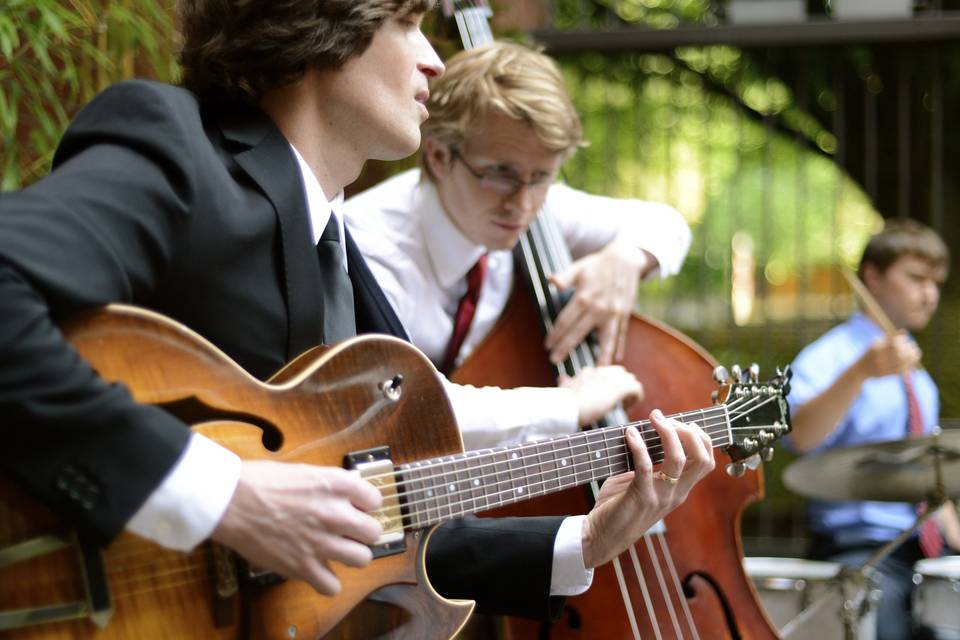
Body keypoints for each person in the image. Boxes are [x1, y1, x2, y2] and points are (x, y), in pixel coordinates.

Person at [0, 0, 715, 630]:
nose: (437, 61)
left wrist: (583, 541)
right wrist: (223, 495)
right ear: (323, 26)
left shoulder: (339, 253)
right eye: (408, 22)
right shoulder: (176, 146)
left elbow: (379, 527)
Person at [345, 41, 691, 449]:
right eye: (500, 174)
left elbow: (669, 225)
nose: (523, 205)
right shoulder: (369, 248)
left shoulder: (536, 207)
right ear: (438, 157)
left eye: (542, 177)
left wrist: (627, 259)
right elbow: (402, 400)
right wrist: (567, 405)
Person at [786, 219, 960, 640]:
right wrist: (861, 372)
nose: (929, 294)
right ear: (872, 278)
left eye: (936, 282)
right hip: (861, 548)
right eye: (916, 278)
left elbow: (927, 476)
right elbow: (801, 435)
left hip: (924, 547)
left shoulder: (919, 379)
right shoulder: (829, 356)